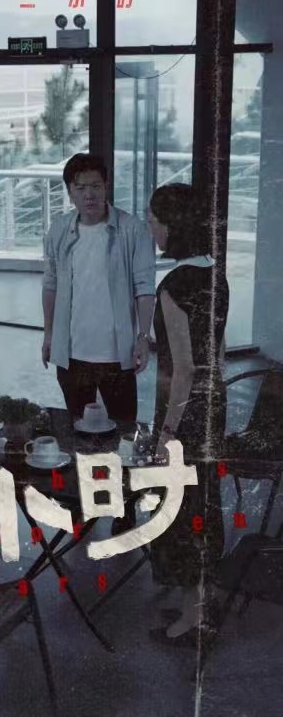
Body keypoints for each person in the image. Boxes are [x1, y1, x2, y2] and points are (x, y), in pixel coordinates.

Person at [147, 183, 229, 645]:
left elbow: (184, 369)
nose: (152, 228)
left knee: (181, 513)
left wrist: (167, 432)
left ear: (171, 227)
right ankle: (198, 603)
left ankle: (192, 620)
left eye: (155, 220)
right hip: (212, 407)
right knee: (204, 506)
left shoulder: (173, 286)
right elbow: (218, 355)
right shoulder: (216, 274)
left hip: (184, 411)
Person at [42, 153, 156, 423]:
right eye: (80, 188)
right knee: (78, 428)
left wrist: (143, 336)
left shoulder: (132, 229)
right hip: (72, 354)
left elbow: (144, 287)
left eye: (95, 186)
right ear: (70, 191)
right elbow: (50, 285)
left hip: (117, 354)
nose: (89, 195)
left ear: (106, 186)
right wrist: (49, 335)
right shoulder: (59, 229)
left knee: (123, 428)